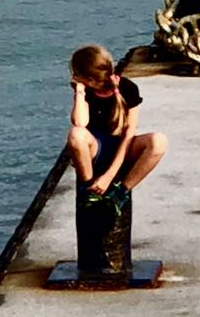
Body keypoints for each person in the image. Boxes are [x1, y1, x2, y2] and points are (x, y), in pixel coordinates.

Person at [68, 44, 168, 211]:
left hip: (124, 148)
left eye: (77, 75)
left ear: (90, 78)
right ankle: (90, 189)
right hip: (97, 147)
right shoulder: (87, 92)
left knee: (159, 141)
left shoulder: (128, 89)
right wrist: (79, 92)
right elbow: (80, 123)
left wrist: (109, 176)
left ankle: (121, 191)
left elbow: (128, 135)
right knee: (76, 134)